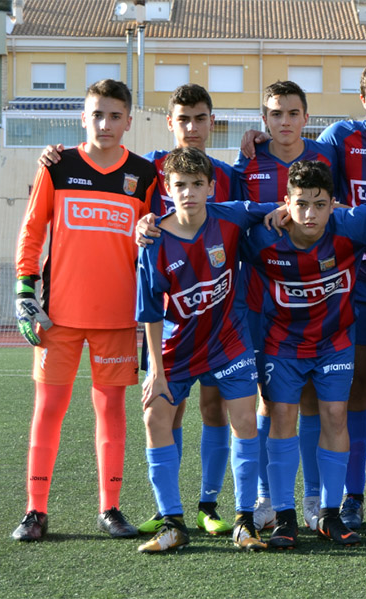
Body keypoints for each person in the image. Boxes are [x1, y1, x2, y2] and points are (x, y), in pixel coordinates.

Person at [38, 84, 242, 537]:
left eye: (201, 118)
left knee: (215, 407)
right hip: (167, 316)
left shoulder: (229, 173)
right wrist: (55, 155)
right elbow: (132, 208)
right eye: (183, 119)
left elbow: (244, 226)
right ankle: (170, 509)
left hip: (217, 315)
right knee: (167, 406)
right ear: (169, 123)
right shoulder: (148, 170)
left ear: (213, 123)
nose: (192, 128)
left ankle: (208, 504)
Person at [240, 160, 366, 548]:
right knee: (281, 418)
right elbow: (212, 220)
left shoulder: (353, 225)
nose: (310, 214)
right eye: (302, 204)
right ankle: (284, 516)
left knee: (337, 415)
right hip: (283, 345)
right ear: (286, 203)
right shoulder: (262, 238)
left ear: (334, 204)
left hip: (334, 343)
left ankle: (328, 513)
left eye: (320, 204)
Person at [12, 79, 156, 542]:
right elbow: (32, 232)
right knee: (48, 411)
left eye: (115, 115)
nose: (105, 124)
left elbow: (152, 247)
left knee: (112, 413)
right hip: (58, 317)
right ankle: (36, 511)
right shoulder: (58, 166)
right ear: (82, 118)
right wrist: (25, 293)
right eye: (96, 114)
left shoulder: (145, 175)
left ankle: (110, 508)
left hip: (117, 318)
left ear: (129, 121)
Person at [135, 147, 280, 553]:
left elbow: (287, 207)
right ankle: (172, 521)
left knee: (244, 423)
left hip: (229, 344)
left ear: (211, 187)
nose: (189, 192)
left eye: (198, 184)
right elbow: (148, 312)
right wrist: (156, 372)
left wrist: (278, 213)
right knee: (154, 416)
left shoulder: (231, 216)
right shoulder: (154, 242)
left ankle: (243, 520)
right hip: (176, 349)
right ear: (167, 189)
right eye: (180, 185)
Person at [233, 80, 340, 533]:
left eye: (293, 113)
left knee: (315, 401)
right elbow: (231, 216)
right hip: (260, 300)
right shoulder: (249, 162)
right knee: (269, 402)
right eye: (276, 114)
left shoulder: (324, 157)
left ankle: (315, 498)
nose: (284, 122)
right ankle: (266, 498)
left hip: (314, 301)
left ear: (305, 117)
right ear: (264, 119)